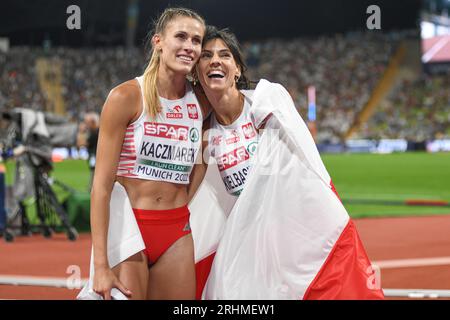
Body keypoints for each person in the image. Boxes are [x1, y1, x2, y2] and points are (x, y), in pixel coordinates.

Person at [187, 26, 385, 299]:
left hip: (293, 233)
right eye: (206, 56)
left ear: (237, 69)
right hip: (249, 243)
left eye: (224, 55)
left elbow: (301, 158)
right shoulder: (203, 135)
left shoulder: (267, 105)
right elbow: (194, 199)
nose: (215, 61)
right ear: (197, 73)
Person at [89, 7, 207, 300]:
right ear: (158, 42)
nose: (189, 46)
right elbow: (101, 188)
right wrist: (100, 265)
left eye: (196, 40)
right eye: (181, 36)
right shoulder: (126, 97)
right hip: (130, 229)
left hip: (177, 231)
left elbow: (203, 160)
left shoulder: (203, 102)